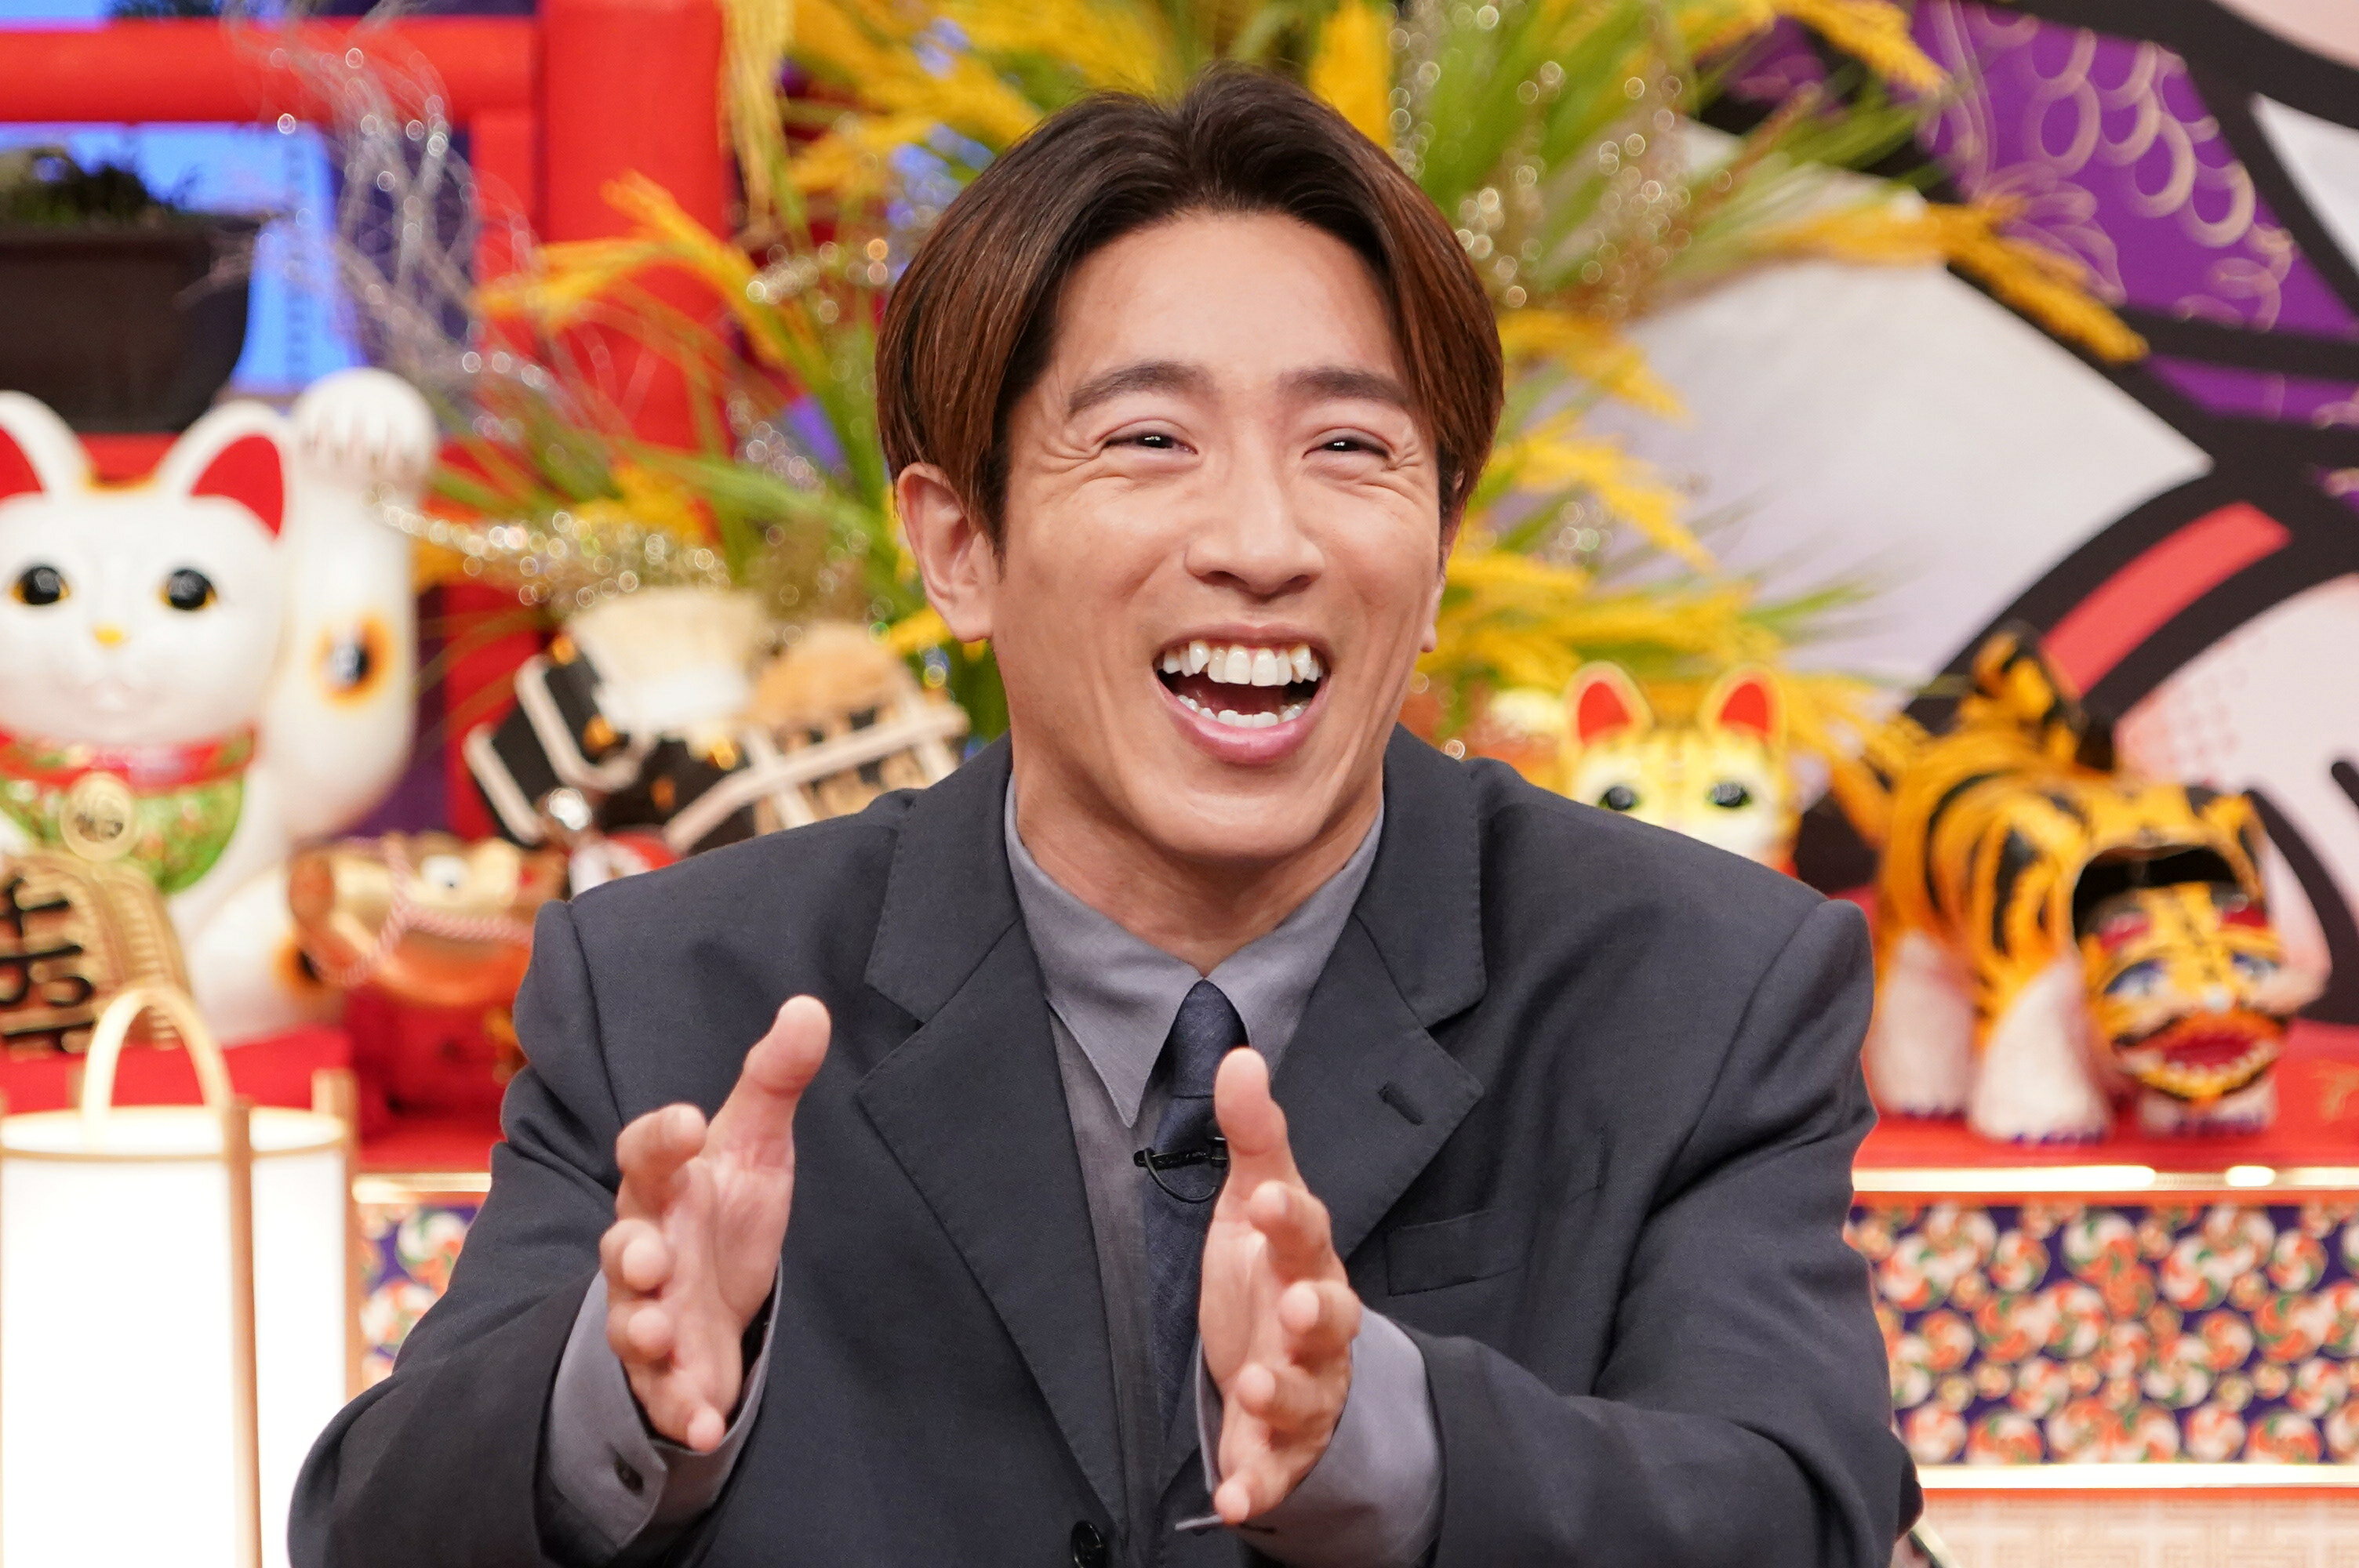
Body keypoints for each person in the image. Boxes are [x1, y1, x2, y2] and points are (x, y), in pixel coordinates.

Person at [293, 67, 1918, 1568]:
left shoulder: (1702, 986)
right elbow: (372, 1529)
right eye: (1150, 440)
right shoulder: (675, 993)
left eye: (1350, 447)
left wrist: (1390, 1443)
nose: (1261, 541)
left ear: (1436, 552)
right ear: (958, 547)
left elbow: (1801, 1514)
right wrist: (619, 1406)